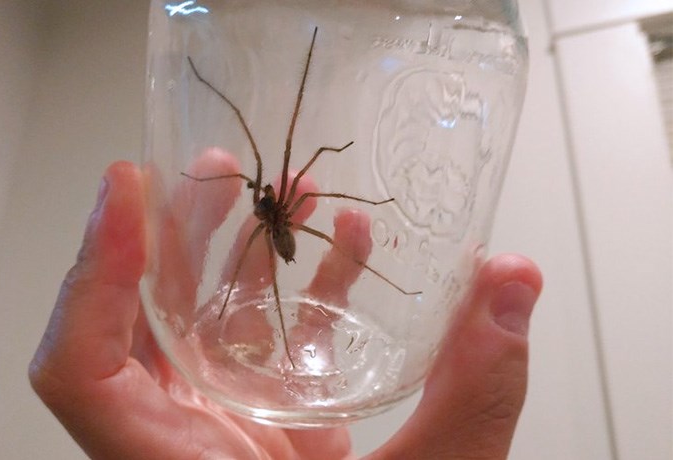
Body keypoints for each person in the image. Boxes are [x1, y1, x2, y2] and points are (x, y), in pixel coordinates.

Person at [29, 160, 542, 460]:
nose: (266, 193)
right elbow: (261, 205)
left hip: (280, 236)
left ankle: (384, 280)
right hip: (275, 239)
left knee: (314, 227)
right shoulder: (265, 218)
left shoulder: (273, 216)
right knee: (283, 248)